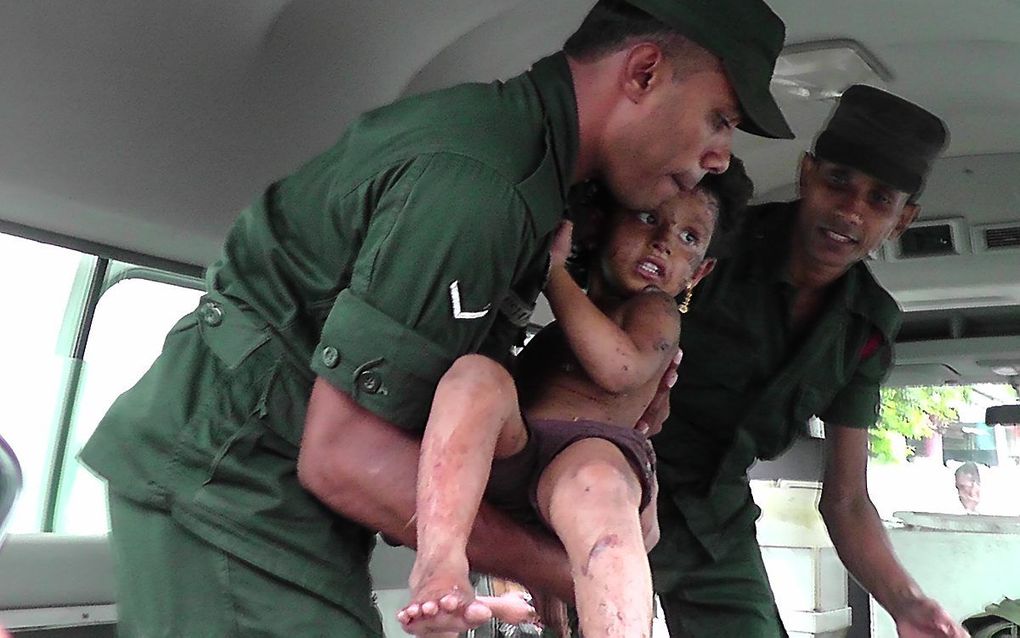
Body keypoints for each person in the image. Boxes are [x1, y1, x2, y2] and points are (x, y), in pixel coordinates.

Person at [77, 0, 792, 635]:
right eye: (719, 118)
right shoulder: (480, 185)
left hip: (274, 497)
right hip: (228, 486)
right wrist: (563, 563)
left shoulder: (538, 188)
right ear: (642, 74)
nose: (720, 154)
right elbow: (342, 454)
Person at [648, 85, 970, 638]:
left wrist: (908, 603)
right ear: (806, 174)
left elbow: (845, 500)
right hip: (617, 472)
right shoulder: (714, 240)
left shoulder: (868, 328)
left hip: (714, 517)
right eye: (838, 180)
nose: (850, 210)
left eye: (879, 200)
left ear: (902, 219)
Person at [397, 163, 752, 637]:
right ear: (597, 225)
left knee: (602, 505)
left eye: (689, 238)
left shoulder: (654, 310)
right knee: (476, 376)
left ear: (699, 273)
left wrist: (554, 276)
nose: (664, 241)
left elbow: (619, 368)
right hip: (519, 452)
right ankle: (440, 565)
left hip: (586, 451)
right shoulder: (555, 334)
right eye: (649, 218)